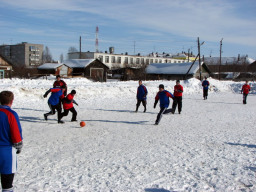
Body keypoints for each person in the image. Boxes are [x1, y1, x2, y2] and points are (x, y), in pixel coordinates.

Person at [0, 91, 23, 192]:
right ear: (12, 101)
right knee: (7, 186)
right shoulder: (11, 114)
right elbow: (16, 134)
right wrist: (18, 147)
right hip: (6, 152)